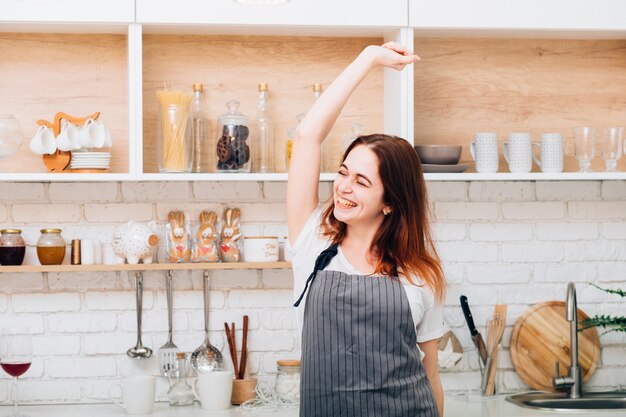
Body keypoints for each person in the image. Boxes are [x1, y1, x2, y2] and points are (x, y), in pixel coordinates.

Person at [287, 42, 446, 417]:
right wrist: (369, 57)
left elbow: (431, 373)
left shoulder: (420, 275)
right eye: (343, 172)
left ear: (390, 201)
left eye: (361, 181)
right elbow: (308, 135)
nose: (343, 186)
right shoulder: (311, 242)